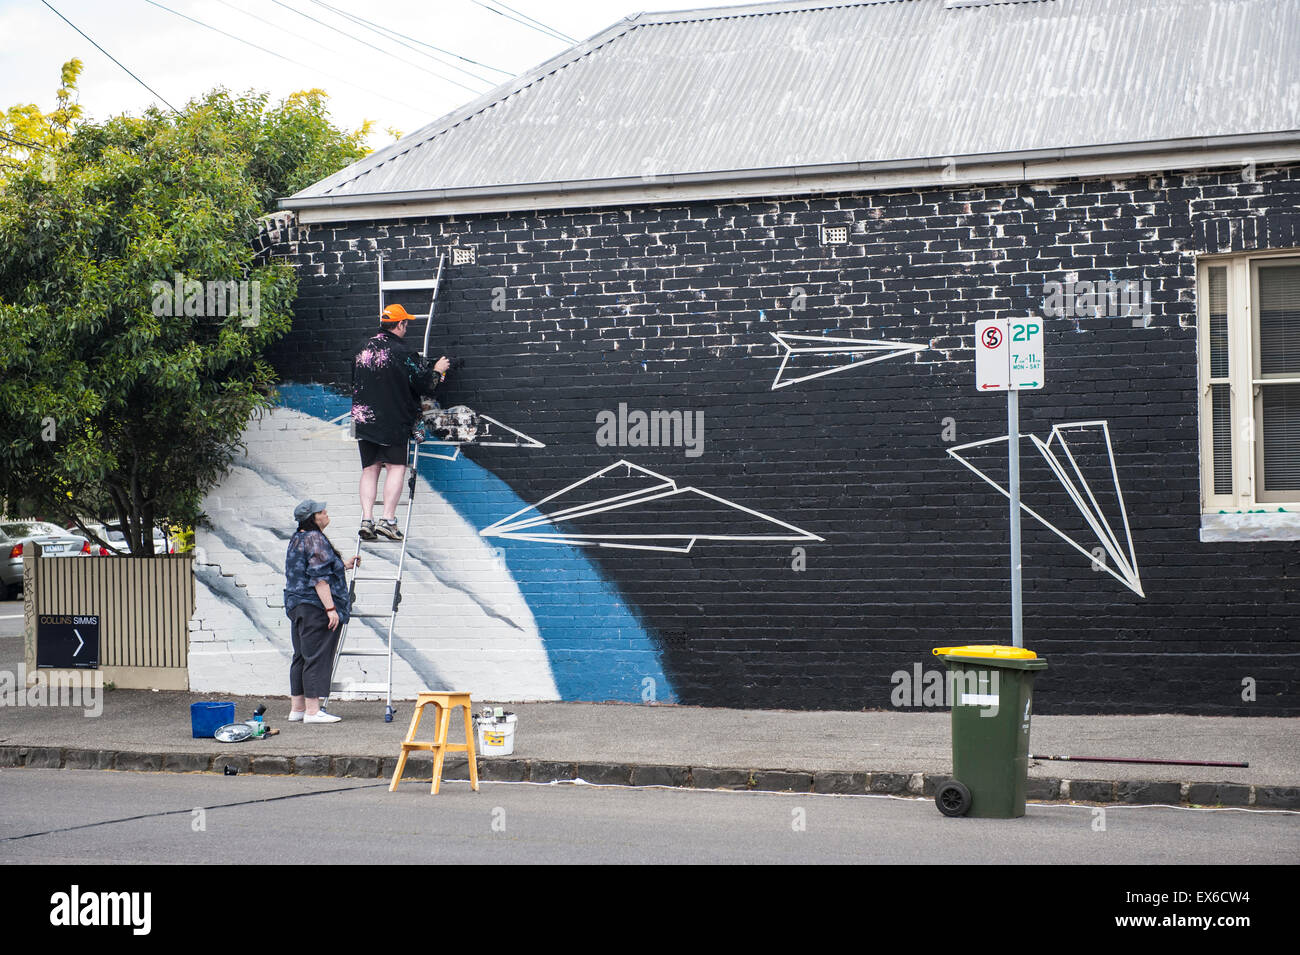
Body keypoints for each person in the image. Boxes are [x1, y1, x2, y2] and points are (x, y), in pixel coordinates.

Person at [351, 303, 451, 541]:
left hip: (363, 419)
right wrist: (437, 370)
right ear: (399, 324)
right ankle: (388, 519)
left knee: (369, 469)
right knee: (396, 468)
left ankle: (367, 519)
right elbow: (425, 385)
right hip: (393, 420)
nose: (407, 328)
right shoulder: (403, 352)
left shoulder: (361, 349)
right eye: (406, 323)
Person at [283, 500, 359, 724]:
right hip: (316, 607)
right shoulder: (315, 539)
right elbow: (319, 579)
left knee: (301, 656)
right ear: (312, 518)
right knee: (316, 656)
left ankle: (297, 708)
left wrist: (341, 565)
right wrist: (331, 609)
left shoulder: (298, 538)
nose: (327, 514)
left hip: (297, 605)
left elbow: (309, 568)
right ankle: (313, 711)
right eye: (322, 512)